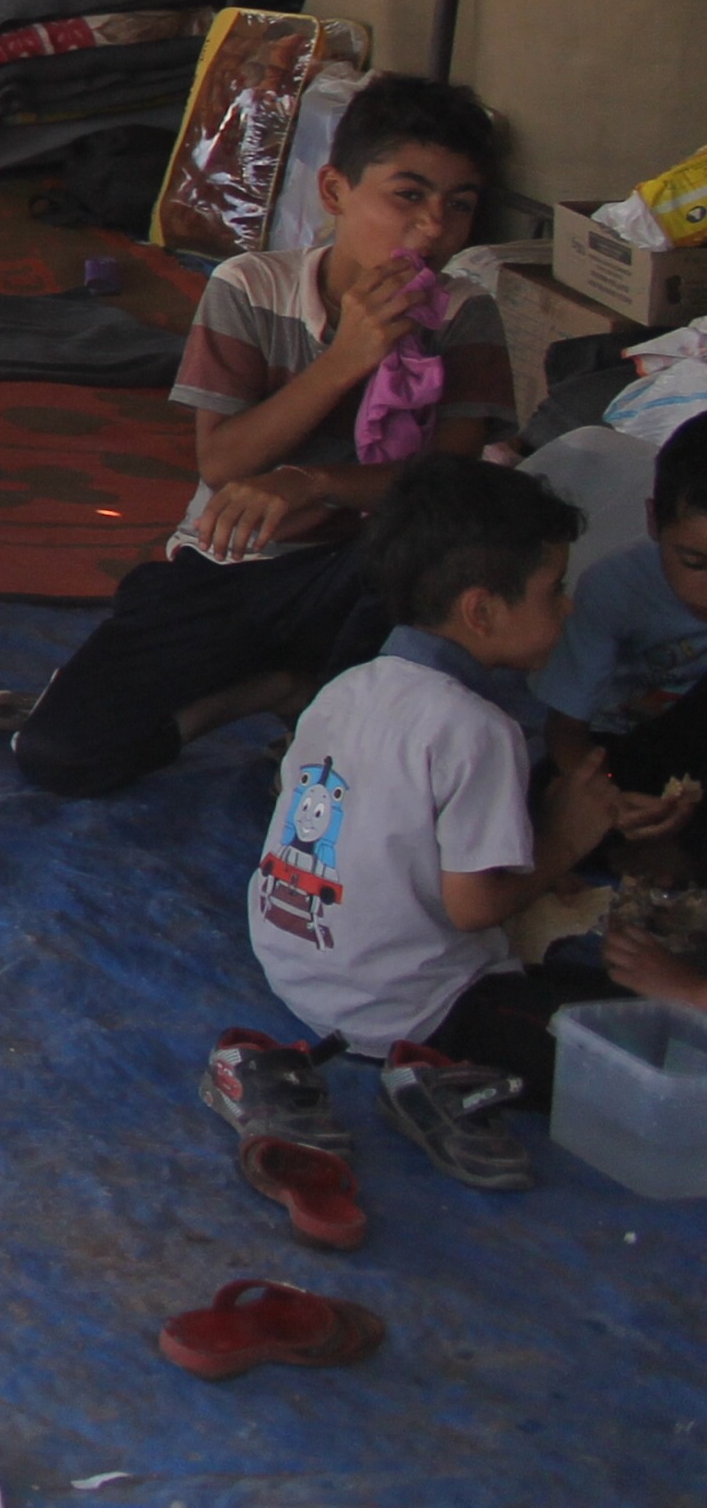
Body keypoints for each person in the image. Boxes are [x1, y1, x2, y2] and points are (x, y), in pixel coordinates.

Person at [12, 75, 516, 801]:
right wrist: (347, 359)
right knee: (62, 755)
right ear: (336, 191)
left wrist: (317, 482)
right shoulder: (252, 289)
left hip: (366, 579)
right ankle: (266, 691)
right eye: (407, 195)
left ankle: (331, 718)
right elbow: (224, 464)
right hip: (235, 568)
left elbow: (449, 481)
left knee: (426, 540)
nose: (433, 229)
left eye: (459, 205)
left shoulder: (464, 315)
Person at [245, 458, 706, 1181]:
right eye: (554, 591)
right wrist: (567, 838)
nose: (568, 609)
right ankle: (428, 1083)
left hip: (297, 963)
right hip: (405, 1008)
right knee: (639, 1053)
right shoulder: (476, 728)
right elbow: (473, 909)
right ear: (483, 612)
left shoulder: (350, 686)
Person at [536, 416, 707, 813]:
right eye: (694, 563)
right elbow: (566, 730)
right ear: (653, 522)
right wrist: (614, 802)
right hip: (624, 753)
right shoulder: (615, 590)